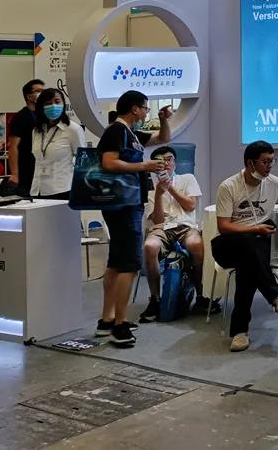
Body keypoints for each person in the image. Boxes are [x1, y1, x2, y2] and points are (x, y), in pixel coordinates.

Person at [95, 91, 172, 347]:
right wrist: (144, 166)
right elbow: (109, 163)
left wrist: (164, 119)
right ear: (134, 109)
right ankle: (120, 324)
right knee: (129, 264)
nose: (146, 113)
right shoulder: (116, 131)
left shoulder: (131, 133)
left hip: (127, 203)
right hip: (123, 205)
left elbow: (163, 138)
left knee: (116, 262)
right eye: (145, 109)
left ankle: (107, 319)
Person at [212, 141, 278, 352]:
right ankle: (275, 295)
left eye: (272, 161)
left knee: (247, 266)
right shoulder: (229, 186)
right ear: (250, 163)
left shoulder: (274, 184)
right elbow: (223, 226)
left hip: (257, 246)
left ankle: (240, 331)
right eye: (265, 162)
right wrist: (254, 228)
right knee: (248, 244)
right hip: (229, 244)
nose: (270, 166)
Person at [140, 146, 214, 323]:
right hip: (162, 228)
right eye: (161, 161)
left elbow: (191, 205)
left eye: (169, 159)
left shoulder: (187, 178)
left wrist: (170, 188)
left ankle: (201, 294)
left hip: (186, 226)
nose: (166, 163)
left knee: (196, 245)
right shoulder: (151, 187)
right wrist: (159, 194)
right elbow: (157, 220)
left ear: (175, 162)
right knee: (149, 246)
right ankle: (155, 299)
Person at [29, 88, 86, 199]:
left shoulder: (73, 129)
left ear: (63, 104)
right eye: (48, 103)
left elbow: (82, 160)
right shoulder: (36, 131)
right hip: (38, 189)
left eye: (57, 101)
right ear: (41, 106)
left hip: (62, 189)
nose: (53, 106)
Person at [8, 79, 44, 193]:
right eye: (39, 91)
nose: (42, 94)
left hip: (42, 169)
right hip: (26, 169)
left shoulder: (43, 116)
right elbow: (13, 146)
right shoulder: (21, 117)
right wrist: (15, 174)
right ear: (29, 96)